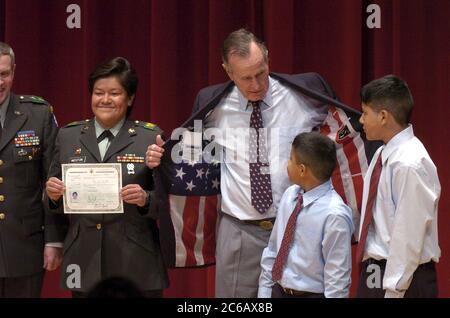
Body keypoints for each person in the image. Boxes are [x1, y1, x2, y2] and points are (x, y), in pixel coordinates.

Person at [146, 29, 368, 297]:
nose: (256, 84)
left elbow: (345, 130)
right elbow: (187, 154)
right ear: (228, 72)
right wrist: (159, 157)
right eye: (246, 78)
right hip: (239, 229)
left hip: (299, 223)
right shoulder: (211, 104)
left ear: (268, 60)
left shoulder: (307, 91)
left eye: (260, 73)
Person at [45, 56, 169, 297]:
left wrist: (146, 199)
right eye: (98, 92)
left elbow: (168, 202)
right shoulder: (68, 136)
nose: (105, 100)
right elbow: (52, 203)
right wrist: (52, 196)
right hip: (83, 258)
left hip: (136, 258)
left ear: (130, 97)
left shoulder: (149, 138)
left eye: (114, 93)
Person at [356, 75, 441, 298]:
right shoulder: (381, 154)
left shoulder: (410, 163)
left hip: (406, 281)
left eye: (365, 113)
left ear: (383, 116)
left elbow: (408, 235)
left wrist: (394, 290)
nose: (361, 120)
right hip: (375, 270)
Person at [0, 42, 64, 297]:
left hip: (24, 245)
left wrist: (54, 238)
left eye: (3, 74)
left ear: (14, 72)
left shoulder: (37, 114)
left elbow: (53, 179)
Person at [258, 132, 353, 298]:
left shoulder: (335, 215)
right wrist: (264, 293)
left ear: (302, 170)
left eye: (290, 159)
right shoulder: (289, 196)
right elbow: (273, 249)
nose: (286, 164)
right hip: (278, 291)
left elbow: (337, 280)